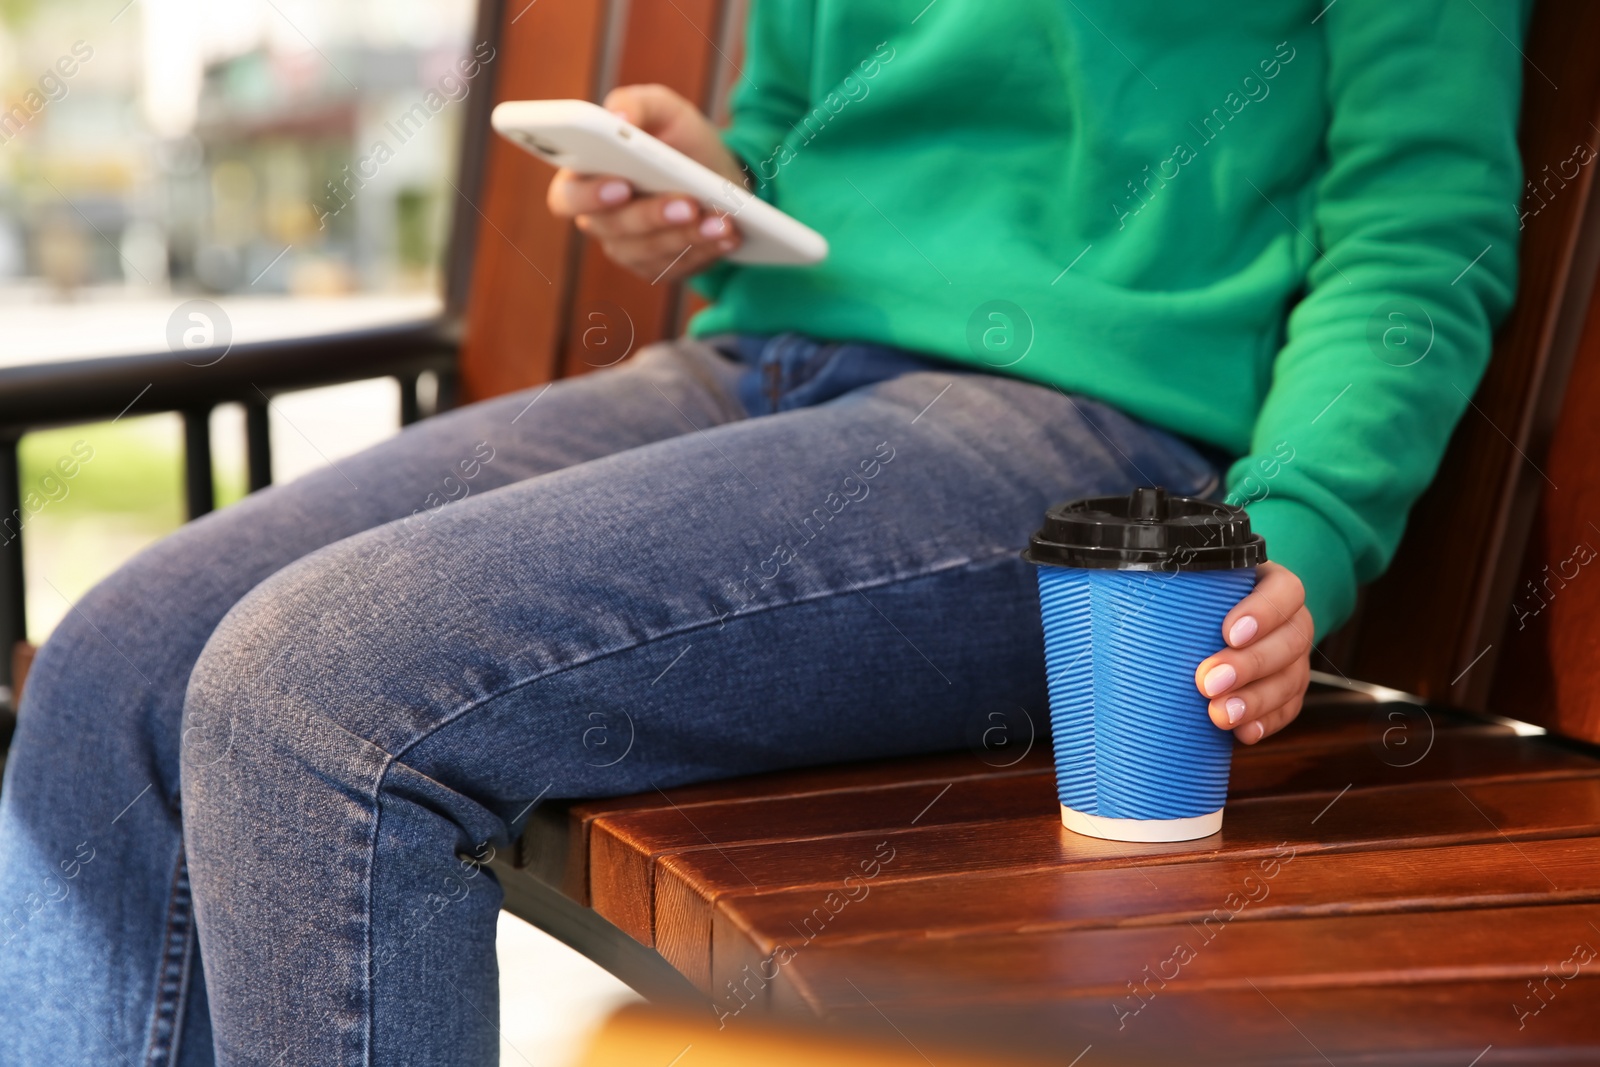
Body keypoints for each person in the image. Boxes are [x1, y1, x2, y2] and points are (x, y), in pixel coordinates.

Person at [0, 0, 1527, 1062]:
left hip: (1064, 444)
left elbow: (1423, 220)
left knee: (314, 697)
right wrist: (709, 190)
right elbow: (796, 136)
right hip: (760, 366)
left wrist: (1299, 526)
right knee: (116, 661)